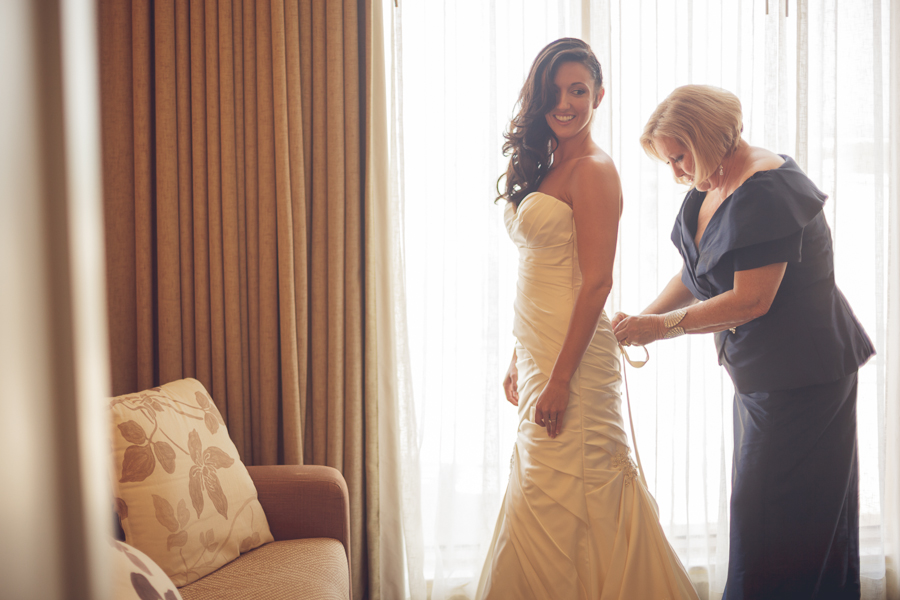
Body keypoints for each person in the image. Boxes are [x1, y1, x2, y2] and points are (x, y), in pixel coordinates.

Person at [613, 84, 874, 600]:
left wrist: (659, 331)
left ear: (706, 136)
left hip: (805, 379)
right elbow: (694, 273)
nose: (676, 173)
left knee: (780, 519)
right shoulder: (712, 182)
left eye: (679, 157)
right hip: (762, 379)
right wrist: (640, 317)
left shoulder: (767, 189)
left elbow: (750, 300)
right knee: (764, 517)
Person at [476, 38, 698, 600]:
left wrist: (559, 377)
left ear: (599, 94)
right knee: (538, 489)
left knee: (580, 489)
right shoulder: (550, 165)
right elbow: (544, 270)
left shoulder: (596, 170)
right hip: (539, 353)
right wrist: (519, 358)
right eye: (555, 92)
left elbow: (596, 281)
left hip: (571, 364)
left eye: (578, 90)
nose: (566, 103)